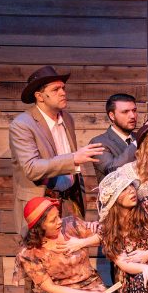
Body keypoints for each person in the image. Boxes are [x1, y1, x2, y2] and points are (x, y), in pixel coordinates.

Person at [9, 66, 105, 236]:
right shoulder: (22, 125)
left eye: (63, 88)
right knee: (42, 252)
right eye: (55, 89)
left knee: (73, 248)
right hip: (41, 205)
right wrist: (73, 158)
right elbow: (31, 168)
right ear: (39, 96)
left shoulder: (67, 118)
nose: (63, 93)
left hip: (68, 201)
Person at [90, 93, 139, 182]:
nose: (132, 116)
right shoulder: (98, 143)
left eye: (134, 110)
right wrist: (137, 142)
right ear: (112, 116)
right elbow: (111, 171)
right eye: (125, 112)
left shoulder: (139, 138)